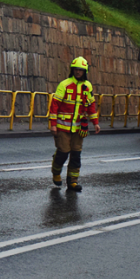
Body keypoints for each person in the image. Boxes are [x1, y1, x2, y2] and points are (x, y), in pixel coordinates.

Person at [48, 56, 100, 192]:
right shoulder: (64, 84)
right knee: (63, 153)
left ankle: (73, 182)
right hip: (62, 128)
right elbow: (54, 105)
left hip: (79, 129)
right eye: (76, 70)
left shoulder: (87, 86)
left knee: (76, 155)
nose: (78, 72)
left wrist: (95, 122)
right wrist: (53, 124)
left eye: (81, 70)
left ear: (85, 72)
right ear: (72, 70)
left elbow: (91, 106)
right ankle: (56, 172)